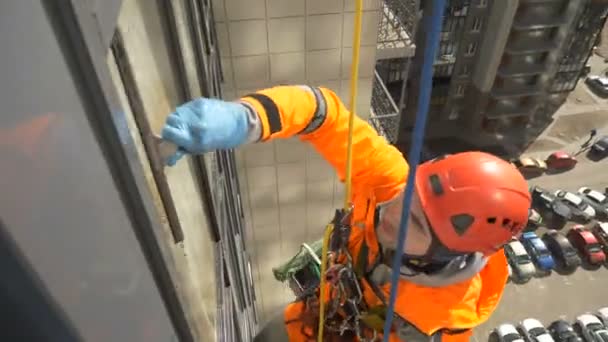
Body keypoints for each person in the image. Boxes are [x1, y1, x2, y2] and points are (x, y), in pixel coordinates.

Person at [161, 85, 531, 341]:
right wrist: (248, 118)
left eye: (415, 222)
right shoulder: (390, 181)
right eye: (410, 193)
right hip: (306, 321)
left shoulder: (436, 323)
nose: (395, 209)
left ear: (442, 255)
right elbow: (321, 112)